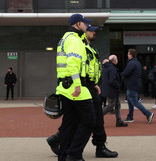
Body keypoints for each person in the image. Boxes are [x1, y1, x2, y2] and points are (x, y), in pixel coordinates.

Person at [47, 24, 118, 158]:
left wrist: (94, 83)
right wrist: (80, 84)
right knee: (90, 119)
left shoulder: (88, 47)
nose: (94, 33)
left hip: (87, 85)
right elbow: (75, 66)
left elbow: (88, 68)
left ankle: (62, 145)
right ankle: (78, 151)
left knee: (76, 119)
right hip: (81, 87)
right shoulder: (79, 44)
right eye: (91, 31)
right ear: (84, 32)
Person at [54, 14, 95, 161]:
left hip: (64, 87)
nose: (87, 26)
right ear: (78, 24)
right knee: (89, 120)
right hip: (75, 88)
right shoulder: (75, 40)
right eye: (85, 23)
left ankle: (63, 156)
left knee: (69, 123)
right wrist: (77, 85)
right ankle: (74, 154)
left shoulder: (64, 39)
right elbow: (72, 63)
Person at [120, 49, 154, 124]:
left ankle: (148, 114)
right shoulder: (137, 62)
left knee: (134, 102)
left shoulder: (131, 63)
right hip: (134, 84)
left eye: (128, 54)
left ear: (131, 55)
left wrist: (120, 74)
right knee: (130, 101)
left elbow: (126, 72)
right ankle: (130, 117)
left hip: (131, 85)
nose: (127, 55)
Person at [101, 55, 127, 127]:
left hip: (110, 90)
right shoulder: (112, 69)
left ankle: (118, 121)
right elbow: (112, 81)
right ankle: (98, 116)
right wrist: (118, 85)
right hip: (112, 90)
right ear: (115, 61)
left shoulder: (106, 68)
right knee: (110, 106)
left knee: (117, 105)